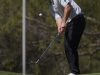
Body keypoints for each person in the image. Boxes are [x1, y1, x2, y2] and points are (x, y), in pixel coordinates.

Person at [47, 0, 86, 75]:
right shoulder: (51, 7)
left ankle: (74, 72)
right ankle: (74, 71)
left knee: (70, 45)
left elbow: (68, 7)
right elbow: (58, 18)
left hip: (77, 19)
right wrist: (59, 26)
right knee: (67, 46)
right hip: (70, 22)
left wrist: (64, 21)